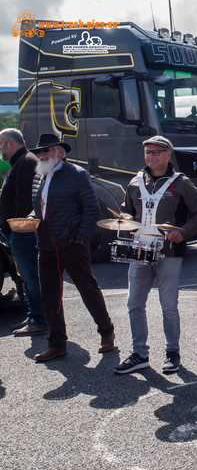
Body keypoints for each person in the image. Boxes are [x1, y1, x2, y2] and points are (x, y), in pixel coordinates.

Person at [114, 136, 197, 374]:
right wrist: (125, 217)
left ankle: (172, 353)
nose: (151, 156)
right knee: (134, 304)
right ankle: (139, 354)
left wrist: (184, 233)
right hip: (140, 250)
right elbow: (126, 209)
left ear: (169, 154)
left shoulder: (181, 183)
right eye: (148, 152)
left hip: (170, 252)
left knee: (168, 306)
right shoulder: (135, 182)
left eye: (157, 152)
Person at [29, 133, 115, 362]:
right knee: (50, 296)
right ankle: (57, 344)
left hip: (72, 245)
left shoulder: (77, 174)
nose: (41, 155)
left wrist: (79, 239)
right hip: (46, 244)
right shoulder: (39, 176)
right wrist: (30, 219)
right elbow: (39, 209)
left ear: (59, 151)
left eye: (45, 150)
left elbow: (91, 210)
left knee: (87, 289)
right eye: (39, 151)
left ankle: (106, 332)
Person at [0, 128, 47, 336]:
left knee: (31, 277)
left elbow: (27, 202)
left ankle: (40, 319)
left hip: (23, 231)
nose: (0, 148)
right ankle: (34, 315)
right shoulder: (21, 162)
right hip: (17, 231)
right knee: (27, 277)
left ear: (10, 144)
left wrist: (15, 227)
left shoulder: (26, 162)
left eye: (1, 143)